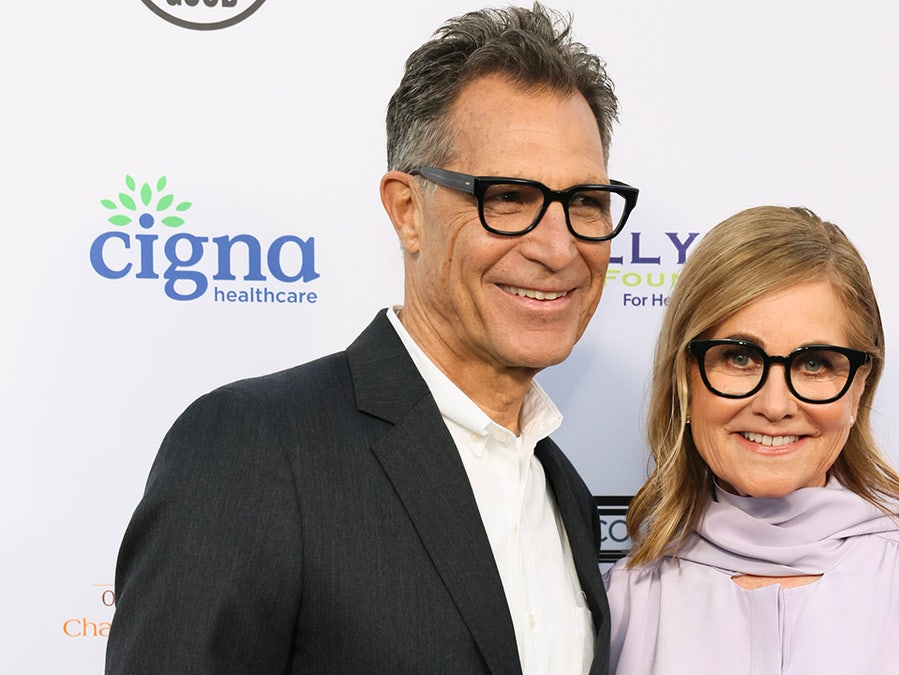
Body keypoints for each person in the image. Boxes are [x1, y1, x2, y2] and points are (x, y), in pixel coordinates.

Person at [106, 5, 637, 674]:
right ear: (407, 211)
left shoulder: (567, 492)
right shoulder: (255, 447)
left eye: (586, 201)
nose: (558, 247)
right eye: (508, 197)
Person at [605, 206, 899, 674]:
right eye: (739, 358)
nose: (774, 405)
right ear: (686, 379)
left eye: (814, 364)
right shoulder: (619, 603)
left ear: (859, 387)